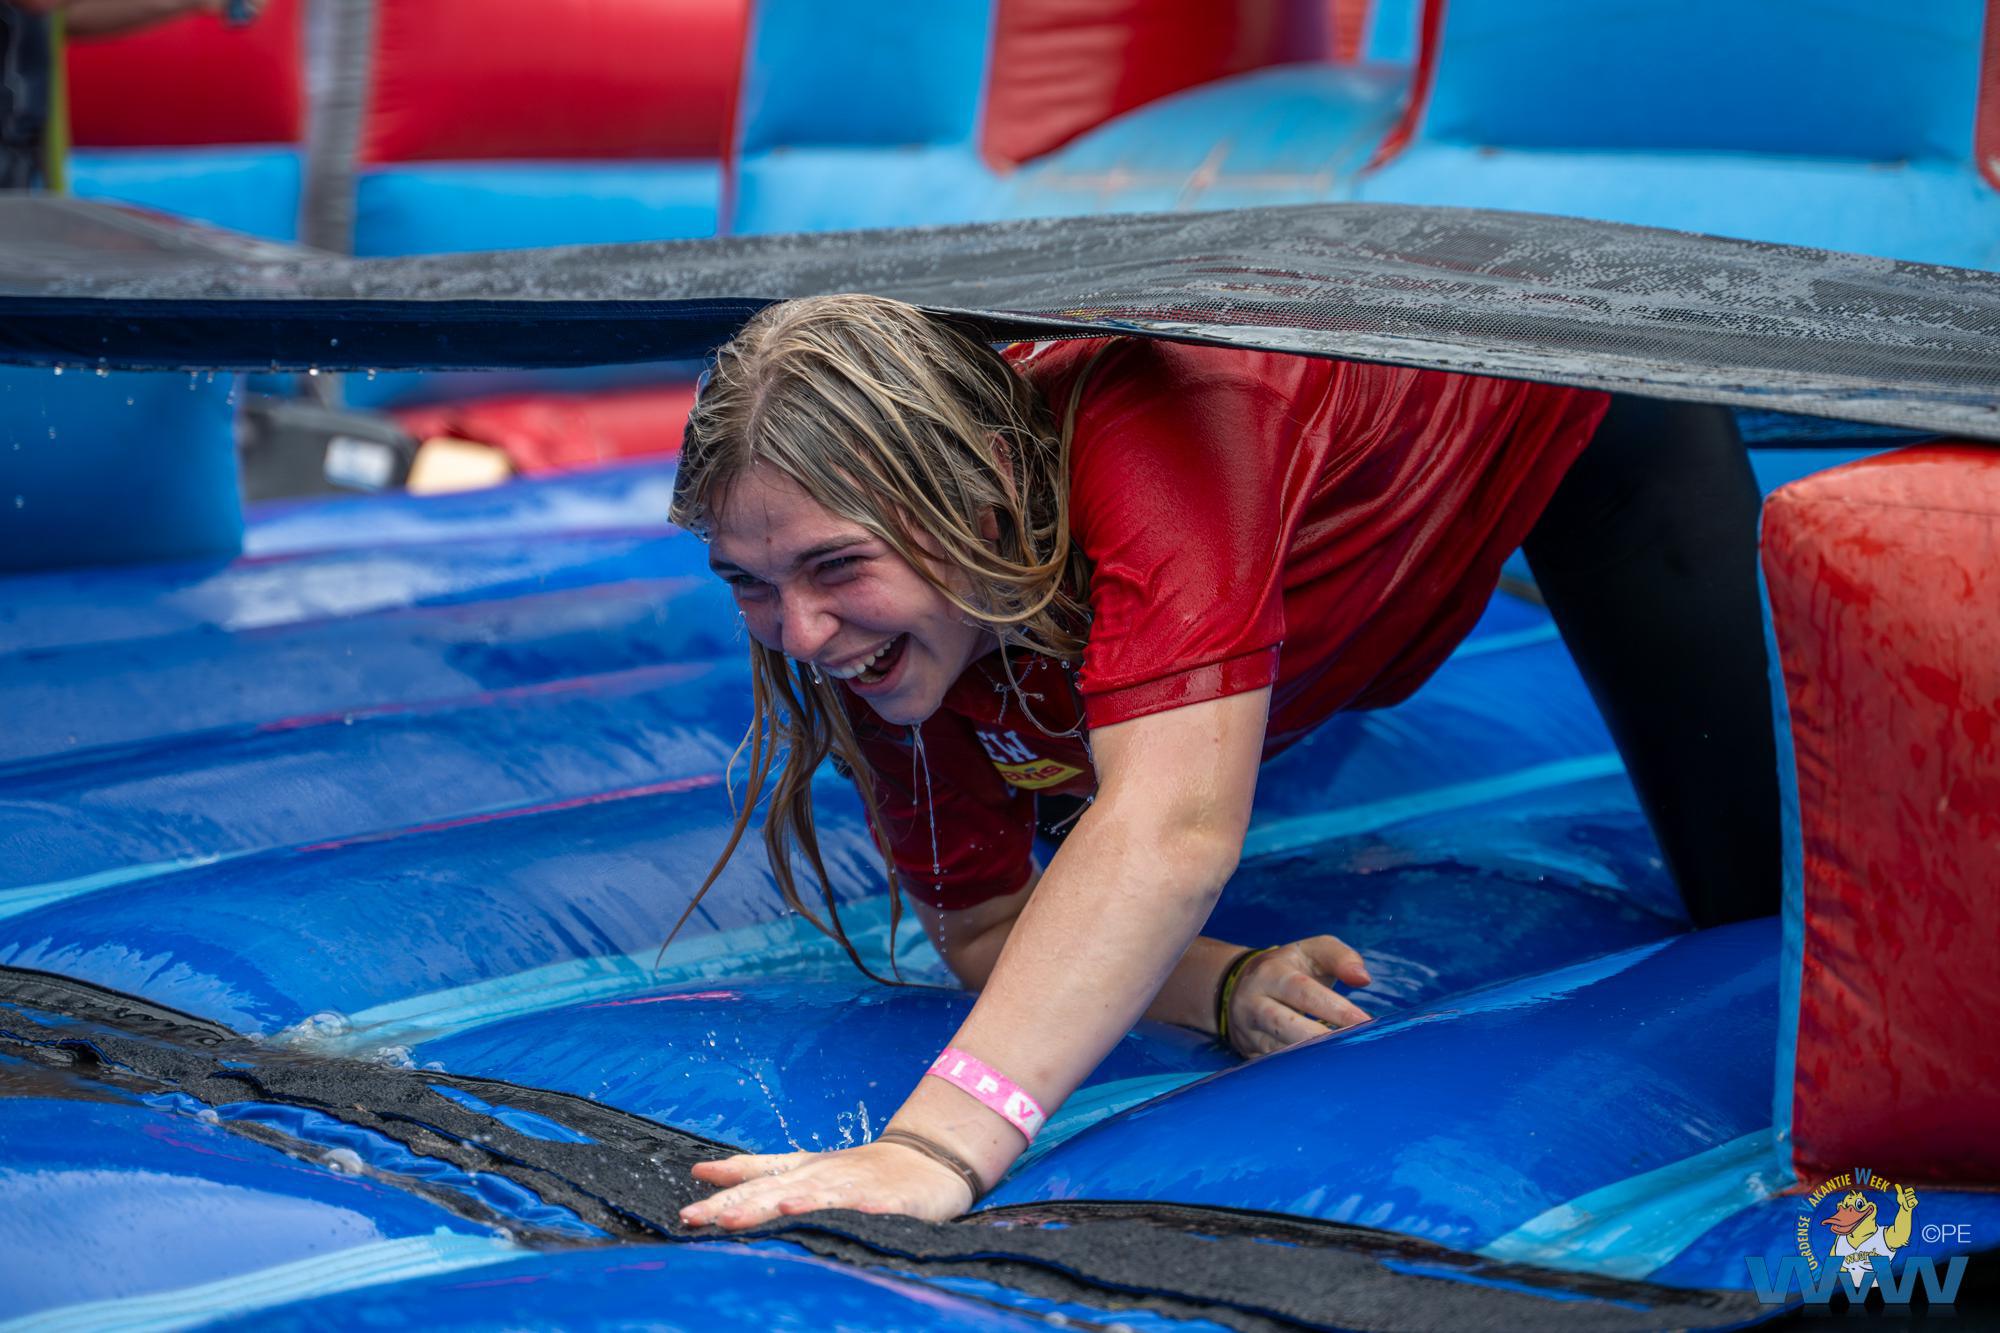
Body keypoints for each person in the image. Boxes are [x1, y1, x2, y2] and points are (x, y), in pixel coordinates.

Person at [670, 294, 1779, 1231]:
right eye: (748, 581)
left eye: (834, 567)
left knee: (1762, 903)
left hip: (1574, 399)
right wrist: (1224, 981)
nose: (800, 634)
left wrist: (930, 1148)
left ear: (980, 496)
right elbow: (988, 926)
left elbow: (1169, 828)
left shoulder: (1165, 433)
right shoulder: (870, 635)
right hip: (1244, 554)